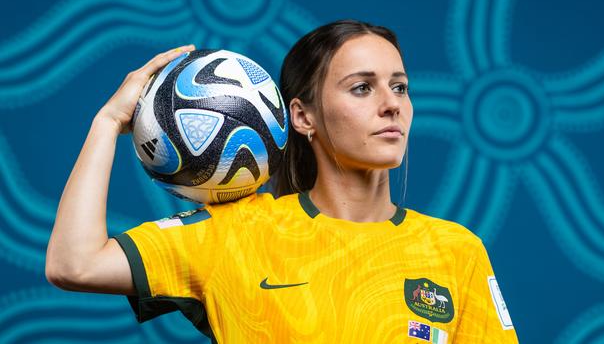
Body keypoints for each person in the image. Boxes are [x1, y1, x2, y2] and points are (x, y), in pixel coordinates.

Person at [46, 20, 518, 343]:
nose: (392, 104)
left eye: (399, 86)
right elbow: (75, 264)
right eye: (361, 87)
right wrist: (108, 121)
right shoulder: (237, 233)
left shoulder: (456, 251)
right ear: (302, 116)